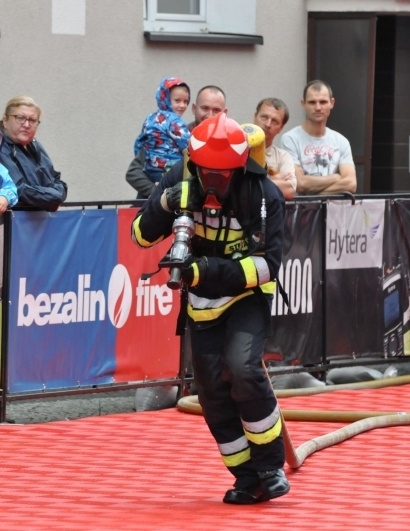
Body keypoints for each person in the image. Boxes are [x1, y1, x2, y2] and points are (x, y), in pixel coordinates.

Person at [131, 113, 290, 505]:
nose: (214, 182)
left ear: (239, 166)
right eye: (207, 173)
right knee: (212, 393)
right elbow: (140, 236)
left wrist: (203, 271)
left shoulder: (263, 194)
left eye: (223, 175)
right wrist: (164, 203)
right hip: (201, 304)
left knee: (242, 369)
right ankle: (246, 477)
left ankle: (270, 468)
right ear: (195, 164)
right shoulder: (179, 179)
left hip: (246, 297)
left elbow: (268, 265)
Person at [126, 85, 227, 199]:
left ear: (225, 113)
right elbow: (133, 172)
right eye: (205, 108)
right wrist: (155, 190)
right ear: (194, 108)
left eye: (216, 110)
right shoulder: (171, 135)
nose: (210, 115)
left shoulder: (231, 144)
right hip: (160, 206)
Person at [281, 80, 356, 195]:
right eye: (312, 102)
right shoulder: (290, 139)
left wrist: (316, 196)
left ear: (332, 103)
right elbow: (300, 183)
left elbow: (351, 184)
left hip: (332, 207)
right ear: (303, 104)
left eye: (323, 102)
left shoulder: (341, 141)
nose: (318, 107)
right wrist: (336, 177)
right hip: (301, 207)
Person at [0, 96, 68, 211]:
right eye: (20, 118)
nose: (26, 125)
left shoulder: (34, 144)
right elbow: (18, 189)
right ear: (5, 121)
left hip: (41, 218)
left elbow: (56, 180)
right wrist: (53, 198)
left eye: (32, 120)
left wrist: (54, 197)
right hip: (15, 219)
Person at [133, 77, 191, 188]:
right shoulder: (174, 121)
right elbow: (188, 144)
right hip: (169, 169)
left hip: (150, 170)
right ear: (166, 99)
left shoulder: (150, 118)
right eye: (177, 101)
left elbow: (139, 143)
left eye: (185, 101)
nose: (182, 105)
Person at [253, 97, 296, 200]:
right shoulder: (238, 149)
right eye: (264, 117)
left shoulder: (283, 157)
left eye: (275, 121)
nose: (268, 124)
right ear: (254, 117)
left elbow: (289, 190)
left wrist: (256, 184)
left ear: (281, 128)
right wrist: (271, 180)